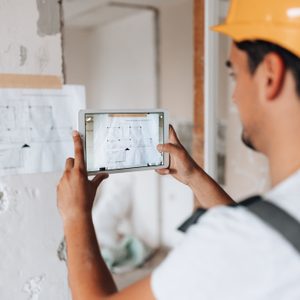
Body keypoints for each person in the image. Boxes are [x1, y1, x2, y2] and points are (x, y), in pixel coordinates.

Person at [57, 0, 300, 299]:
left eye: (235, 75)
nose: (234, 96)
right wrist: (193, 175)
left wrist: (75, 213)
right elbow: (259, 227)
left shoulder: (240, 241)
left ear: (270, 76)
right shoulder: (256, 233)